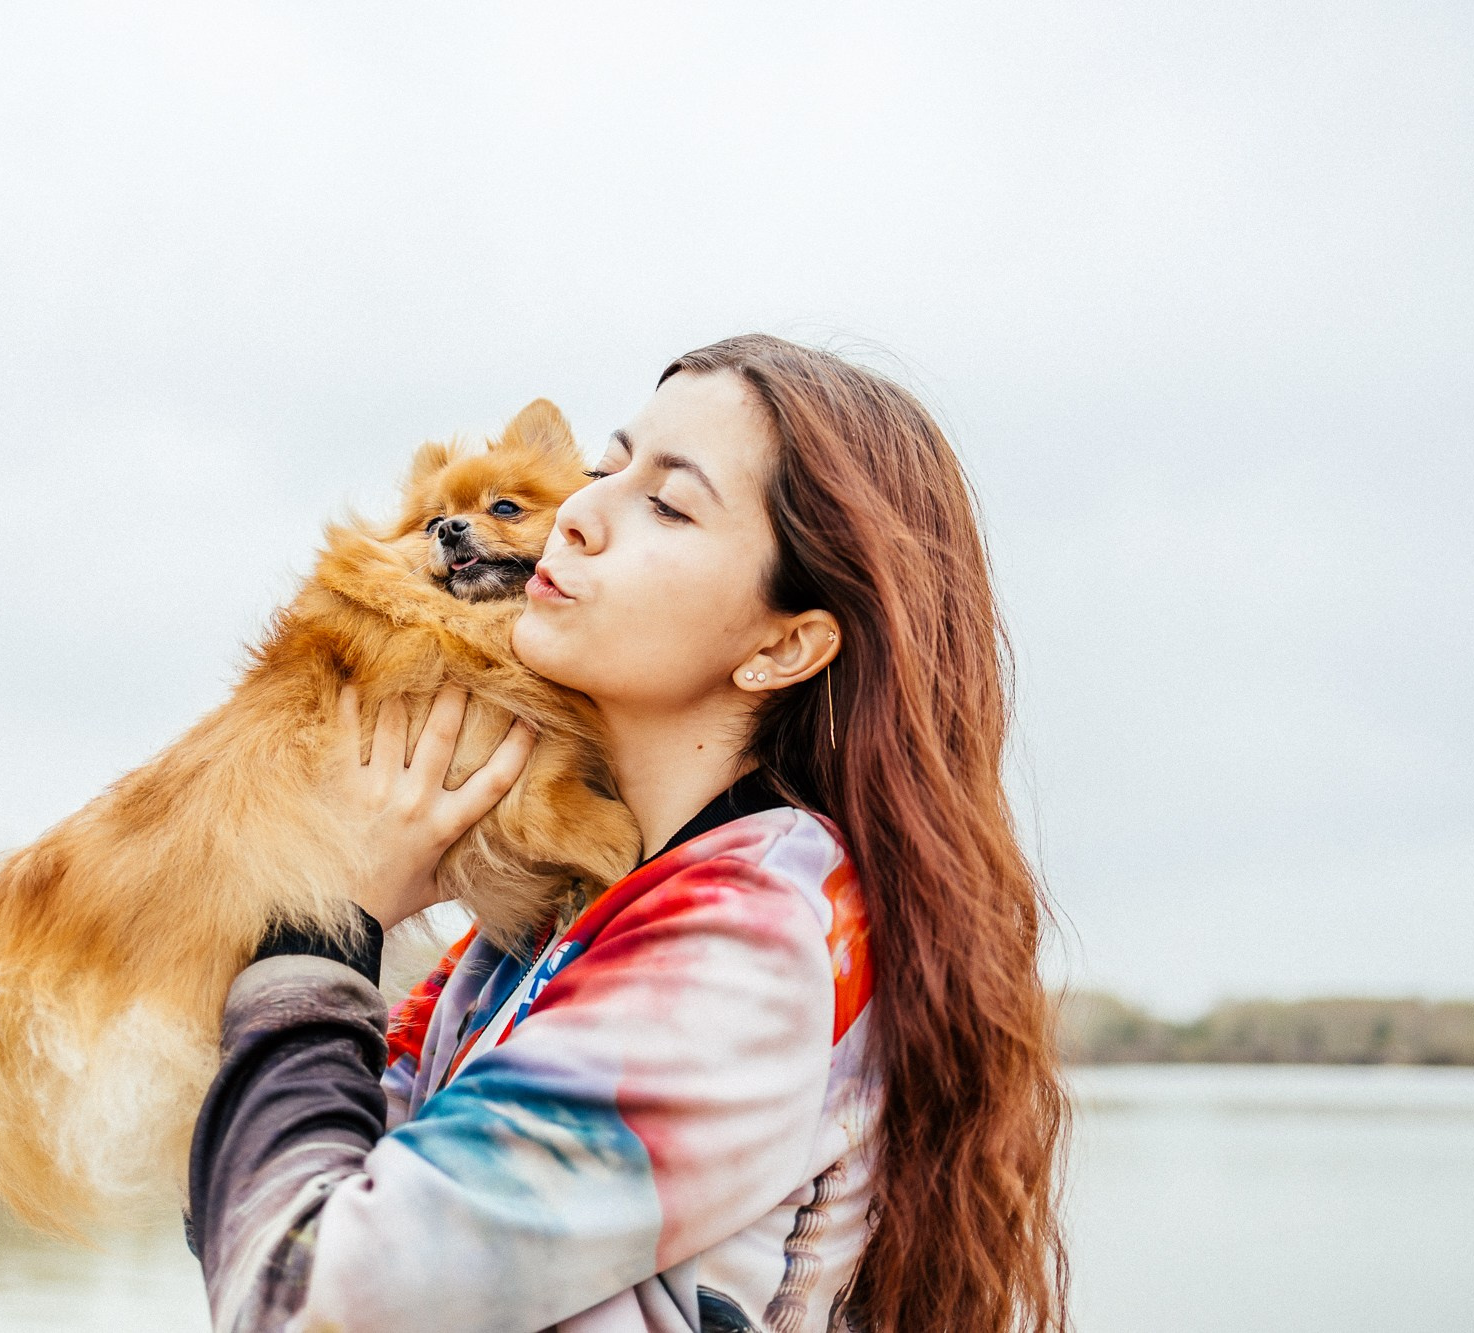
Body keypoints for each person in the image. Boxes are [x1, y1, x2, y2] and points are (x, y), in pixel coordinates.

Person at [185, 334, 1069, 1333]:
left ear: (783, 644)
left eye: (666, 503)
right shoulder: (556, 921)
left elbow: (298, 1295)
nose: (578, 513)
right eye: (605, 469)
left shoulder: (745, 940)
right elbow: (273, 1184)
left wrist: (321, 930)